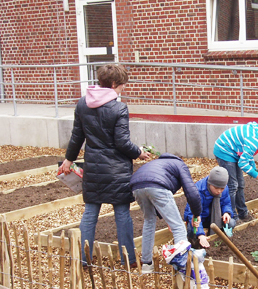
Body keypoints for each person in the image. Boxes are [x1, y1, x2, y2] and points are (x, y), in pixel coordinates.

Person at [60, 64, 151, 267]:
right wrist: (139, 152)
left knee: (90, 212)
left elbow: (77, 136)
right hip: (117, 171)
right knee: (122, 214)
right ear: (112, 84)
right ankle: (128, 260)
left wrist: (69, 159)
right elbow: (122, 143)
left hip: (93, 168)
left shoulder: (82, 104)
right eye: (121, 86)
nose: (123, 89)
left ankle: (84, 259)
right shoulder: (118, 108)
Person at [130, 153, 202, 274]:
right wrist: (197, 213)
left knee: (149, 221)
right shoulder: (180, 165)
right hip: (157, 186)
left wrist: (167, 217)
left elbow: (154, 195)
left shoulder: (157, 164)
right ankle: (182, 268)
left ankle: (147, 265)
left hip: (136, 186)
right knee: (179, 227)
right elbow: (192, 192)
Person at [213, 122, 258, 222]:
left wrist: (254, 169)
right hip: (224, 150)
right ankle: (233, 217)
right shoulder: (255, 140)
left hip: (235, 151)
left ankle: (243, 213)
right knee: (233, 186)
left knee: (240, 184)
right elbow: (243, 163)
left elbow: (248, 155)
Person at [183, 166, 235, 249]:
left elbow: (226, 203)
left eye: (222, 188)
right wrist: (200, 234)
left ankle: (219, 240)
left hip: (214, 218)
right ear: (210, 183)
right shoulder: (198, 190)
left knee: (231, 223)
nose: (219, 191)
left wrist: (226, 213)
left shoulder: (224, 188)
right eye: (216, 188)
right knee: (191, 228)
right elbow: (192, 214)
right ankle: (193, 245)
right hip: (200, 219)